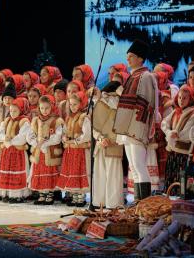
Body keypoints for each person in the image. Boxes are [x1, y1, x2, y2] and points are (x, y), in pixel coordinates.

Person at [114, 39, 158, 201]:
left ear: (140, 58)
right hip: (129, 126)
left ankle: (144, 202)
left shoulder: (146, 76)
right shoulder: (134, 76)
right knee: (133, 166)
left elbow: (144, 102)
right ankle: (139, 201)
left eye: (131, 56)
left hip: (137, 126)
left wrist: (119, 91)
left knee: (139, 166)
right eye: (128, 56)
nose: (128, 59)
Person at [92, 81, 124, 209]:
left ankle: (107, 203)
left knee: (108, 173)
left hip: (111, 143)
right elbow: (94, 126)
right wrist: (100, 138)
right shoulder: (101, 103)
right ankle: (109, 203)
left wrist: (101, 138)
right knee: (109, 173)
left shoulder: (118, 105)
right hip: (105, 143)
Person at [27, 95, 63, 205]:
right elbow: (29, 135)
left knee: (49, 171)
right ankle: (42, 194)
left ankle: (50, 194)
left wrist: (45, 144)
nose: (44, 111)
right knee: (40, 171)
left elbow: (57, 137)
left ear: (52, 107)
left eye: (47, 108)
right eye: (42, 108)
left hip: (50, 151)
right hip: (39, 152)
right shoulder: (36, 120)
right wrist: (37, 144)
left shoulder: (56, 120)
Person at [57, 91, 91, 207]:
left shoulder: (84, 117)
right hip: (70, 150)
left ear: (81, 104)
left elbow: (87, 135)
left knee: (79, 171)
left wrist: (75, 141)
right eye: (71, 105)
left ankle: (81, 197)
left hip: (79, 150)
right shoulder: (68, 118)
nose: (73, 107)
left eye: (75, 104)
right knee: (72, 171)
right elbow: (65, 131)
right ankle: (74, 196)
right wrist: (64, 137)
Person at [161, 85, 194, 193]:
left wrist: (175, 135)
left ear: (190, 99)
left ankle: (179, 200)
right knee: (171, 175)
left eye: (185, 98)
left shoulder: (193, 113)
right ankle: (170, 197)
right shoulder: (175, 112)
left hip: (184, 153)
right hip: (173, 151)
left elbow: (187, 132)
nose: (181, 100)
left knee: (181, 177)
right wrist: (169, 132)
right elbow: (164, 123)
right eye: (180, 97)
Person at [0, 97, 31, 203]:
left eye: (15, 111)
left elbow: (22, 138)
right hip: (7, 151)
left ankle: (17, 194)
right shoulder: (6, 121)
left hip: (17, 152)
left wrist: (9, 142)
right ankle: (6, 192)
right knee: (7, 171)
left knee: (16, 171)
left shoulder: (24, 122)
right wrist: (4, 139)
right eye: (11, 110)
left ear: (21, 110)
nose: (12, 113)